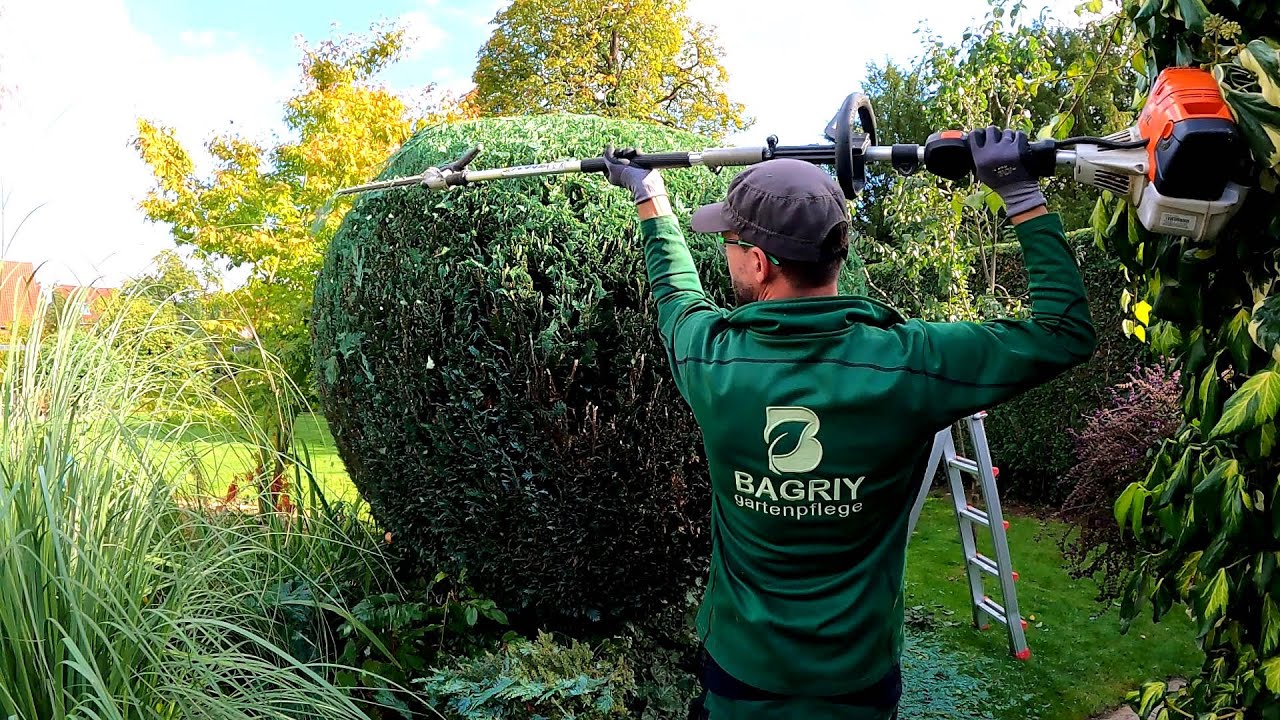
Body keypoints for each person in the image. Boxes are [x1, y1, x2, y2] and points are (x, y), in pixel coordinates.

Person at [601, 127, 1097, 720]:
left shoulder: (712, 360)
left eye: (729, 241)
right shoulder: (911, 362)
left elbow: (676, 291)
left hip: (742, 676)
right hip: (858, 681)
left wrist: (648, 195)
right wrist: (1019, 192)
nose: (724, 252)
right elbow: (1064, 330)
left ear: (758, 263)